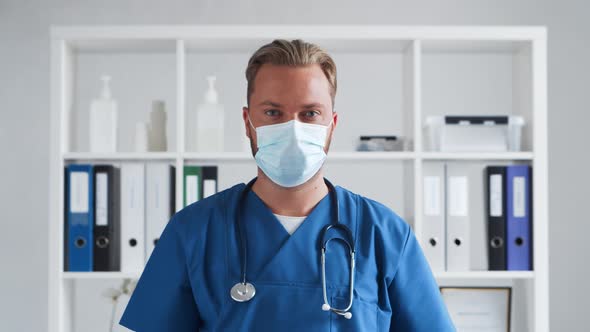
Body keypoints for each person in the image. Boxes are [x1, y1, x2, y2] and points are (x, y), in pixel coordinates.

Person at [120, 39, 455, 331]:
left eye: (309, 114)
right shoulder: (194, 230)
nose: (292, 129)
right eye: (273, 113)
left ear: (331, 125)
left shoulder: (384, 235)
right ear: (248, 123)